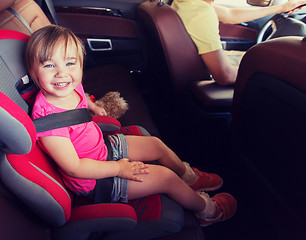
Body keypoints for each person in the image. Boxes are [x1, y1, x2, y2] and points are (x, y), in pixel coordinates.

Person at [26, 25, 236, 226]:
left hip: (102, 149)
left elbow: (80, 93)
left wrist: (92, 106)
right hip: (95, 181)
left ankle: (188, 177)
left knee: (155, 144)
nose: (62, 73)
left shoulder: (70, 85)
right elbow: (75, 167)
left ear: (81, 64)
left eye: (70, 63)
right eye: (49, 65)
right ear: (33, 71)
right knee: (166, 178)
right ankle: (206, 211)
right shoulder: (50, 123)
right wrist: (119, 168)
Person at [171, 0, 306, 86]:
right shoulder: (200, 13)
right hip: (204, 83)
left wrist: (281, 8)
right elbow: (224, 76)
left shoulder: (189, 3)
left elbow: (230, 14)